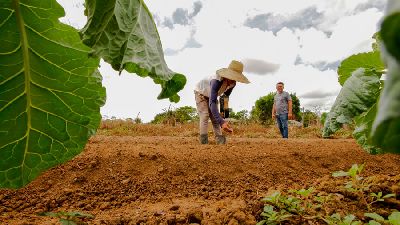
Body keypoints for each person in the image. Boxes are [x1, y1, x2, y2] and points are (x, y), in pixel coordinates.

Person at [194, 60, 250, 144]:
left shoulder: (232, 84)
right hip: (201, 93)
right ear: (228, 74)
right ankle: (204, 141)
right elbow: (212, 102)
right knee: (205, 115)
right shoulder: (216, 81)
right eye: (232, 76)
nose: (234, 79)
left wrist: (224, 119)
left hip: (212, 96)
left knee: (216, 119)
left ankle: (220, 141)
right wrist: (222, 122)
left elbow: (225, 98)